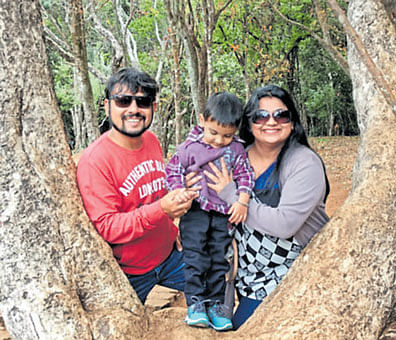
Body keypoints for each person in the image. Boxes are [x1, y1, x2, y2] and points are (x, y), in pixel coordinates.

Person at [203, 84, 330, 329]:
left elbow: (285, 225)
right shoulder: (236, 157)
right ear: (249, 123)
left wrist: (232, 196)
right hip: (248, 279)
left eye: (281, 115)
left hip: (293, 277)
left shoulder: (304, 163)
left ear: (292, 122)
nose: (271, 122)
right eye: (261, 116)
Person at [76, 67, 197, 304]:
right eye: (123, 101)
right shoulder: (95, 161)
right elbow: (107, 226)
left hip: (170, 256)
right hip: (129, 272)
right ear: (107, 105)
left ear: (153, 107)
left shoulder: (151, 140)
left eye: (142, 101)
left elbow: (156, 191)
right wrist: (161, 210)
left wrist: (176, 214)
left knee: (213, 290)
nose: (133, 109)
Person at [165, 92, 254, 331]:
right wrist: (179, 192)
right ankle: (195, 304)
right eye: (214, 132)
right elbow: (172, 171)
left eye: (227, 135)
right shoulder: (189, 147)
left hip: (222, 214)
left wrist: (242, 201)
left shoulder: (236, 149)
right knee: (195, 257)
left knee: (218, 259)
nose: (218, 140)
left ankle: (216, 306)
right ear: (202, 120)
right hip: (195, 210)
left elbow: (246, 175)